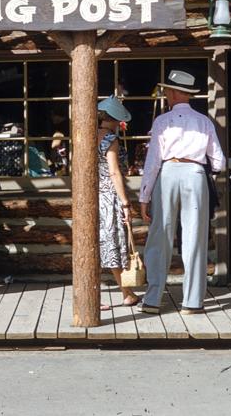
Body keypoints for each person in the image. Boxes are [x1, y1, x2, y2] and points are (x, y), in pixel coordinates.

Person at [138, 70, 224, 315]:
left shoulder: (162, 121)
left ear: (175, 93)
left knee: (159, 236)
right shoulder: (204, 121)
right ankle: (193, 301)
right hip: (195, 174)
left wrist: (144, 196)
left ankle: (153, 299)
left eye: (167, 90)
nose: (165, 94)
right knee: (195, 237)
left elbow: (153, 161)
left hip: (168, 172)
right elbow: (218, 162)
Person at [96, 97, 139, 309]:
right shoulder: (111, 139)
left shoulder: (89, 136)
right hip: (109, 196)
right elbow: (114, 171)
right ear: (115, 118)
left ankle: (122, 292)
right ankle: (126, 292)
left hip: (93, 195)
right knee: (113, 243)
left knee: (98, 244)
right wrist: (124, 202)